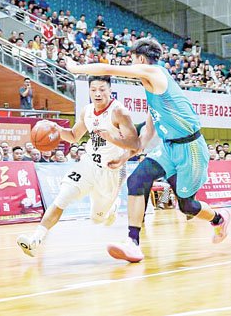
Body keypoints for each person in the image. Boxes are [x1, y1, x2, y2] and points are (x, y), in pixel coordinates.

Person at [64, 38, 231, 263]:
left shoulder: (155, 72)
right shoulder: (152, 88)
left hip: (190, 149)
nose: (131, 64)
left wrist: (75, 68)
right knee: (136, 180)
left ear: (141, 60)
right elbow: (147, 133)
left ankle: (218, 219)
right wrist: (125, 156)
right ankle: (132, 243)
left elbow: (107, 69)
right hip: (168, 148)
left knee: (187, 206)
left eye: (132, 60)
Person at [16, 76, 139, 257]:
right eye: (93, 89)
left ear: (110, 90)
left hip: (110, 171)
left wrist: (113, 140)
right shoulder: (87, 111)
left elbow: (135, 144)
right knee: (62, 197)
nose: (97, 93)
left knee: (97, 218)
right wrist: (57, 129)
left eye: (102, 89)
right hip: (88, 164)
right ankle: (35, 240)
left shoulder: (119, 112)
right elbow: (74, 136)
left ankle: (112, 207)